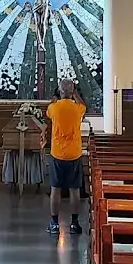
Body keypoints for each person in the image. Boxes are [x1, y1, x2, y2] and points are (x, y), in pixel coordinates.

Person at [46, 78, 86, 234]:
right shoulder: (77, 109)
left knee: (55, 189)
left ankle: (54, 223)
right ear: (73, 92)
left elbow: (49, 109)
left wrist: (57, 96)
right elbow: (84, 106)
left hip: (57, 153)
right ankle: (74, 223)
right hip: (74, 154)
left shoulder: (54, 108)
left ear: (59, 91)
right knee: (74, 190)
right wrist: (74, 93)